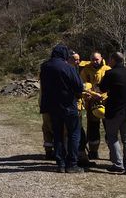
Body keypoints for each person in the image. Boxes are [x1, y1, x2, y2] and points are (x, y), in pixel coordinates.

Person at [40, 44, 84, 173]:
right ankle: (72, 164)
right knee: (74, 134)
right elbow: (79, 86)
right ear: (64, 54)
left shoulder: (44, 67)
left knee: (57, 135)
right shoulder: (68, 67)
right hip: (68, 106)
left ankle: (60, 163)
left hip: (52, 107)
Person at [96, 52, 126, 175]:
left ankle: (118, 164)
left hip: (115, 110)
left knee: (112, 137)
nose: (108, 61)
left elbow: (102, 88)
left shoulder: (110, 73)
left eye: (109, 59)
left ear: (113, 60)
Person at [80, 52, 111, 159]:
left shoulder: (108, 70)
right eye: (93, 59)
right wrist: (90, 95)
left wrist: (104, 96)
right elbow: (83, 86)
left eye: (97, 59)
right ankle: (93, 151)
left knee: (110, 128)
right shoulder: (86, 70)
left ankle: (113, 152)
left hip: (107, 103)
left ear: (101, 58)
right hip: (92, 103)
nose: (95, 61)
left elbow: (113, 86)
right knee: (93, 128)